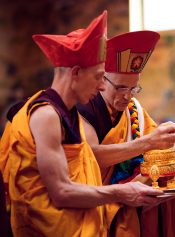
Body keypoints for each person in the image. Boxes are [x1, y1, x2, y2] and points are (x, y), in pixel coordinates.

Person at [0, 11, 164, 237]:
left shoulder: (69, 114)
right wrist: (120, 192)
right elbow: (61, 192)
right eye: (98, 77)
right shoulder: (46, 114)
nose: (100, 87)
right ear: (76, 73)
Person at [77, 31, 175, 237]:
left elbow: (158, 153)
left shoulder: (133, 109)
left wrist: (166, 152)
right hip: (93, 203)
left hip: (136, 200)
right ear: (102, 80)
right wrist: (148, 142)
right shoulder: (85, 107)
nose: (127, 96)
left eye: (133, 88)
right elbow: (90, 156)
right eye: (121, 87)